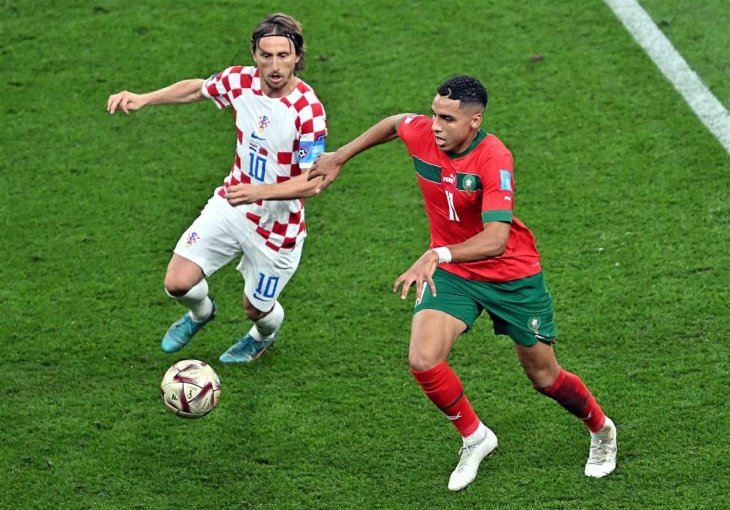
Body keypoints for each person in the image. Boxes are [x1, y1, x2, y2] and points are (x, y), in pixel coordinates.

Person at [308, 75, 617, 491]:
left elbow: (496, 239)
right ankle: (475, 437)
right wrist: (340, 156)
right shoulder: (424, 134)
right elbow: (394, 123)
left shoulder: (494, 157)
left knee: (544, 378)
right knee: (423, 358)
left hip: (510, 275)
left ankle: (601, 429)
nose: (435, 126)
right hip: (455, 273)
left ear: (475, 121)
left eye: (447, 119)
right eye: (434, 114)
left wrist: (438, 254)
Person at [106, 13, 327, 364]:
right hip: (231, 205)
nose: (274, 65)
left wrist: (260, 192)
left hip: (277, 228)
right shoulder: (240, 81)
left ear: (297, 56)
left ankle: (262, 336)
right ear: (254, 54)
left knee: (257, 309)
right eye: (266, 55)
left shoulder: (307, 110)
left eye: (283, 56)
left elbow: (313, 182)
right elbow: (197, 89)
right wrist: (144, 98)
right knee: (177, 283)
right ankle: (201, 313)